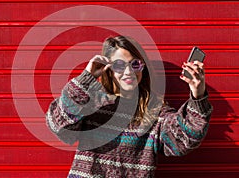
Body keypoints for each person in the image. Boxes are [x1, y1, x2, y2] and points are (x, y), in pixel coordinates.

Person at [46, 35, 213, 178]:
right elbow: (58, 125)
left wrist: (198, 95)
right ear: (109, 69)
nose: (128, 72)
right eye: (119, 65)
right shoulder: (92, 102)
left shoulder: (154, 110)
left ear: (143, 67)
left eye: (135, 64)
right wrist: (85, 79)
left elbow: (184, 140)